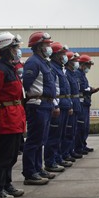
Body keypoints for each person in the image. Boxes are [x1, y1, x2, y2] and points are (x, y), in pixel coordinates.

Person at [0, 32, 26, 198]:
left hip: (14, 116)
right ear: (7, 49)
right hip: (5, 117)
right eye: (15, 47)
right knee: (3, 156)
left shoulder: (10, 68)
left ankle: (6, 184)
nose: (18, 50)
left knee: (11, 156)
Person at [22, 31, 56, 186]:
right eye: (46, 44)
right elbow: (26, 85)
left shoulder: (43, 62)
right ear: (38, 46)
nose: (49, 47)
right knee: (34, 140)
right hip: (37, 105)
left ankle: (38, 168)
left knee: (41, 140)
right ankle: (30, 173)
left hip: (46, 104)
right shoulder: (33, 62)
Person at [44, 42, 72, 173]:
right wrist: (55, 105)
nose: (64, 56)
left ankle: (58, 158)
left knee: (61, 135)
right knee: (54, 136)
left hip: (64, 104)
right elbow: (53, 89)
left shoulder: (60, 68)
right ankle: (51, 161)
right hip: (58, 105)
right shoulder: (53, 68)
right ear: (55, 55)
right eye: (62, 53)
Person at [75, 54, 99, 154]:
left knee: (85, 127)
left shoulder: (82, 75)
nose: (89, 68)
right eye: (88, 65)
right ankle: (78, 147)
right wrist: (90, 89)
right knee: (80, 126)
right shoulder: (77, 74)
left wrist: (90, 89)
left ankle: (83, 145)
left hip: (85, 103)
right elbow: (80, 88)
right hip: (81, 103)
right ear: (83, 64)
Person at [61, 51, 80, 165]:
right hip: (70, 102)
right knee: (68, 131)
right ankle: (65, 153)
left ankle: (70, 151)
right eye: (74, 61)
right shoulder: (67, 74)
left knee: (73, 131)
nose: (76, 62)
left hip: (75, 103)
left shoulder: (73, 74)